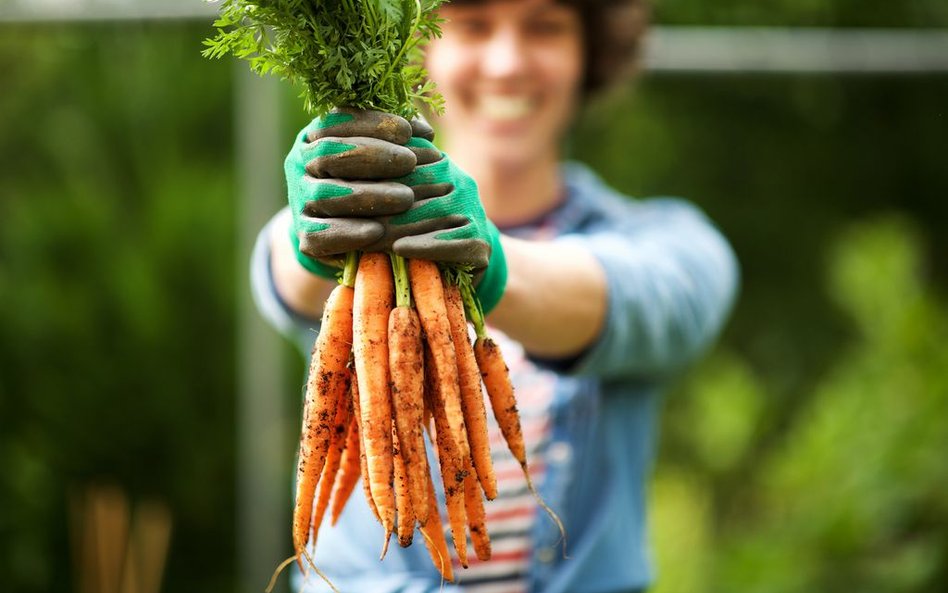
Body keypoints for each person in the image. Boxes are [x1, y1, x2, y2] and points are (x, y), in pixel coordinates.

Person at [250, 0, 739, 591]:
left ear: (591, 52)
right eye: (474, 24)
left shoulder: (669, 241)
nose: (507, 62)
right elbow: (282, 270)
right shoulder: (354, 231)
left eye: (545, 26)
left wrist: (492, 261)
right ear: (417, 48)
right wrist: (317, 225)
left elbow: (646, 300)